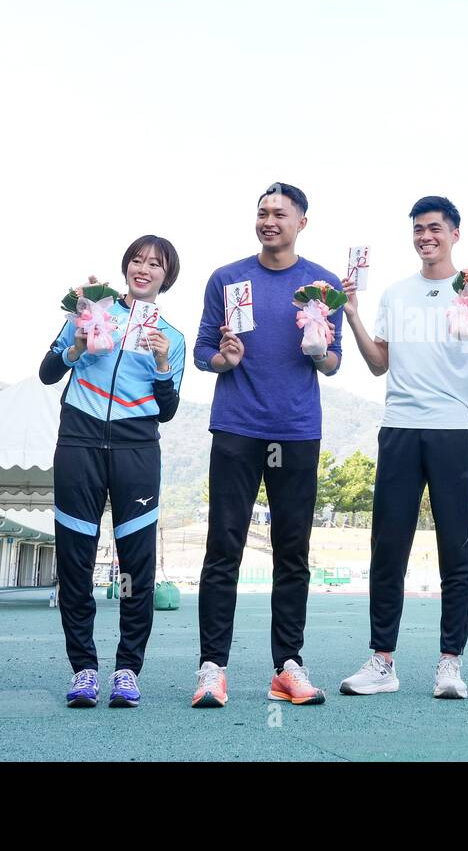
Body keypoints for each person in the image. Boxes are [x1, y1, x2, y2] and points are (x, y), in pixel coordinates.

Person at [338, 195, 468, 700]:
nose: (425, 236)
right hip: (400, 427)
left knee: (458, 550)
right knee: (388, 548)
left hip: (453, 429)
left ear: (455, 233)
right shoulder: (395, 294)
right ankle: (382, 662)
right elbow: (378, 364)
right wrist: (352, 315)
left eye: (435, 228)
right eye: (418, 229)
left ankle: (449, 664)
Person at [191, 183, 342, 709]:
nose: (269, 220)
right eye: (262, 212)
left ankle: (288, 666)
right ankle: (212, 668)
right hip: (236, 426)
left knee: (292, 553)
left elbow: (334, 362)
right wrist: (223, 361)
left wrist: (321, 351)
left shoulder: (322, 285)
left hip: (297, 429)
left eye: (280, 213)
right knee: (223, 549)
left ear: (303, 221)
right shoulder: (226, 278)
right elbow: (201, 351)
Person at [39, 235, 186, 708]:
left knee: (136, 564)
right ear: (126, 267)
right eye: (138, 260)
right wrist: (76, 346)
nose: (144, 269)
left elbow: (167, 411)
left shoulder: (173, 338)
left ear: (167, 277)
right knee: (75, 560)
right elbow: (47, 372)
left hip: (136, 449)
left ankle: (127, 670)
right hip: (79, 441)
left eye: (156, 264)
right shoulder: (90, 311)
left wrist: (162, 362)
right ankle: (84, 670)